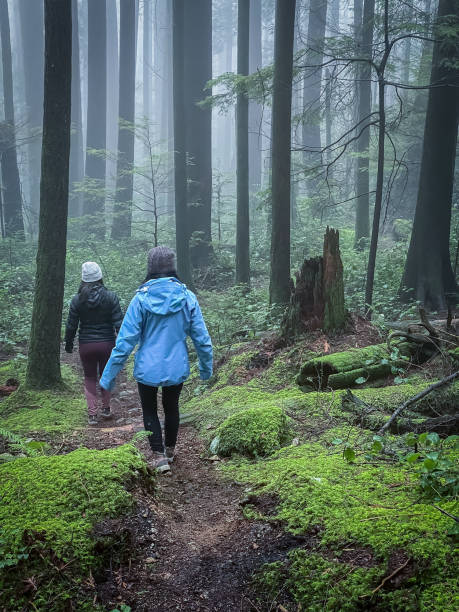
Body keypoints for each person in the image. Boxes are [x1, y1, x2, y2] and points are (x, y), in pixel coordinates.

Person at [100, 246, 213, 472]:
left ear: (150, 268)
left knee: (149, 410)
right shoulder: (187, 297)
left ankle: (159, 456)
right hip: (176, 366)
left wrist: (108, 377)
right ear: (173, 267)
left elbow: (124, 342)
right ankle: (170, 450)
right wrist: (205, 368)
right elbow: (201, 338)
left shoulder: (140, 300)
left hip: (147, 368)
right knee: (172, 407)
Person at [65, 262, 123, 425]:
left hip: (86, 345)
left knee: (89, 377)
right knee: (107, 375)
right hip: (107, 343)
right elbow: (119, 323)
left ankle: (92, 415)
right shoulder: (111, 297)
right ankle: (106, 409)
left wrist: (68, 343)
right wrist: (124, 344)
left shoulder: (77, 299)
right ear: (100, 277)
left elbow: (71, 325)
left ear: (83, 279)